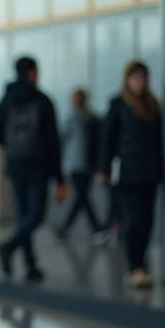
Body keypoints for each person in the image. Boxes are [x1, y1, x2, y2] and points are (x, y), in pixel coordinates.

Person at [0, 57, 66, 282]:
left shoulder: (7, 99)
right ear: (32, 72)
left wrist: (13, 147)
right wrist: (59, 177)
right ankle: (10, 247)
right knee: (36, 215)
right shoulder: (43, 100)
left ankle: (30, 264)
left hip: (15, 165)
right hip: (38, 167)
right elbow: (53, 141)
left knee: (24, 216)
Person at [97, 61, 164, 289]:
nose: (140, 82)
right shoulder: (118, 106)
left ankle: (141, 266)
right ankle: (132, 267)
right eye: (135, 77)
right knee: (134, 219)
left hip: (150, 174)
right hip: (126, 175)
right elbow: (106, 139)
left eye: (143, 77)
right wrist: (103, 169)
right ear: (127, 80)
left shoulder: (153, 106)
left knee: (147, 221)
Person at [55, 88, 104, 239]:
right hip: (89, 163)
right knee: (82, 196)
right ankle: (94, 226)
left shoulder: (72, 118)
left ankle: (72, 227)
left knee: (82, 196)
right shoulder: (93, 118)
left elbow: (62, 140)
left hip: (77, 163)